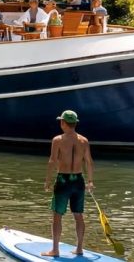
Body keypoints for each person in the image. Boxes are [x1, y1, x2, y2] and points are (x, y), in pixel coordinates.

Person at [42, 110, 95, 257]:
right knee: (78, 215)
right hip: (78, 180)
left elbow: (52, 161)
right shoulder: (84, 141)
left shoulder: (57, 140)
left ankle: (55, 250)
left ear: (63, 123)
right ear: (75, 123)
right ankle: (79, 248)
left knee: (57, 216)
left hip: (63, 180)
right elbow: (89, 162)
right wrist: (90, 181)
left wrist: (47, 180)